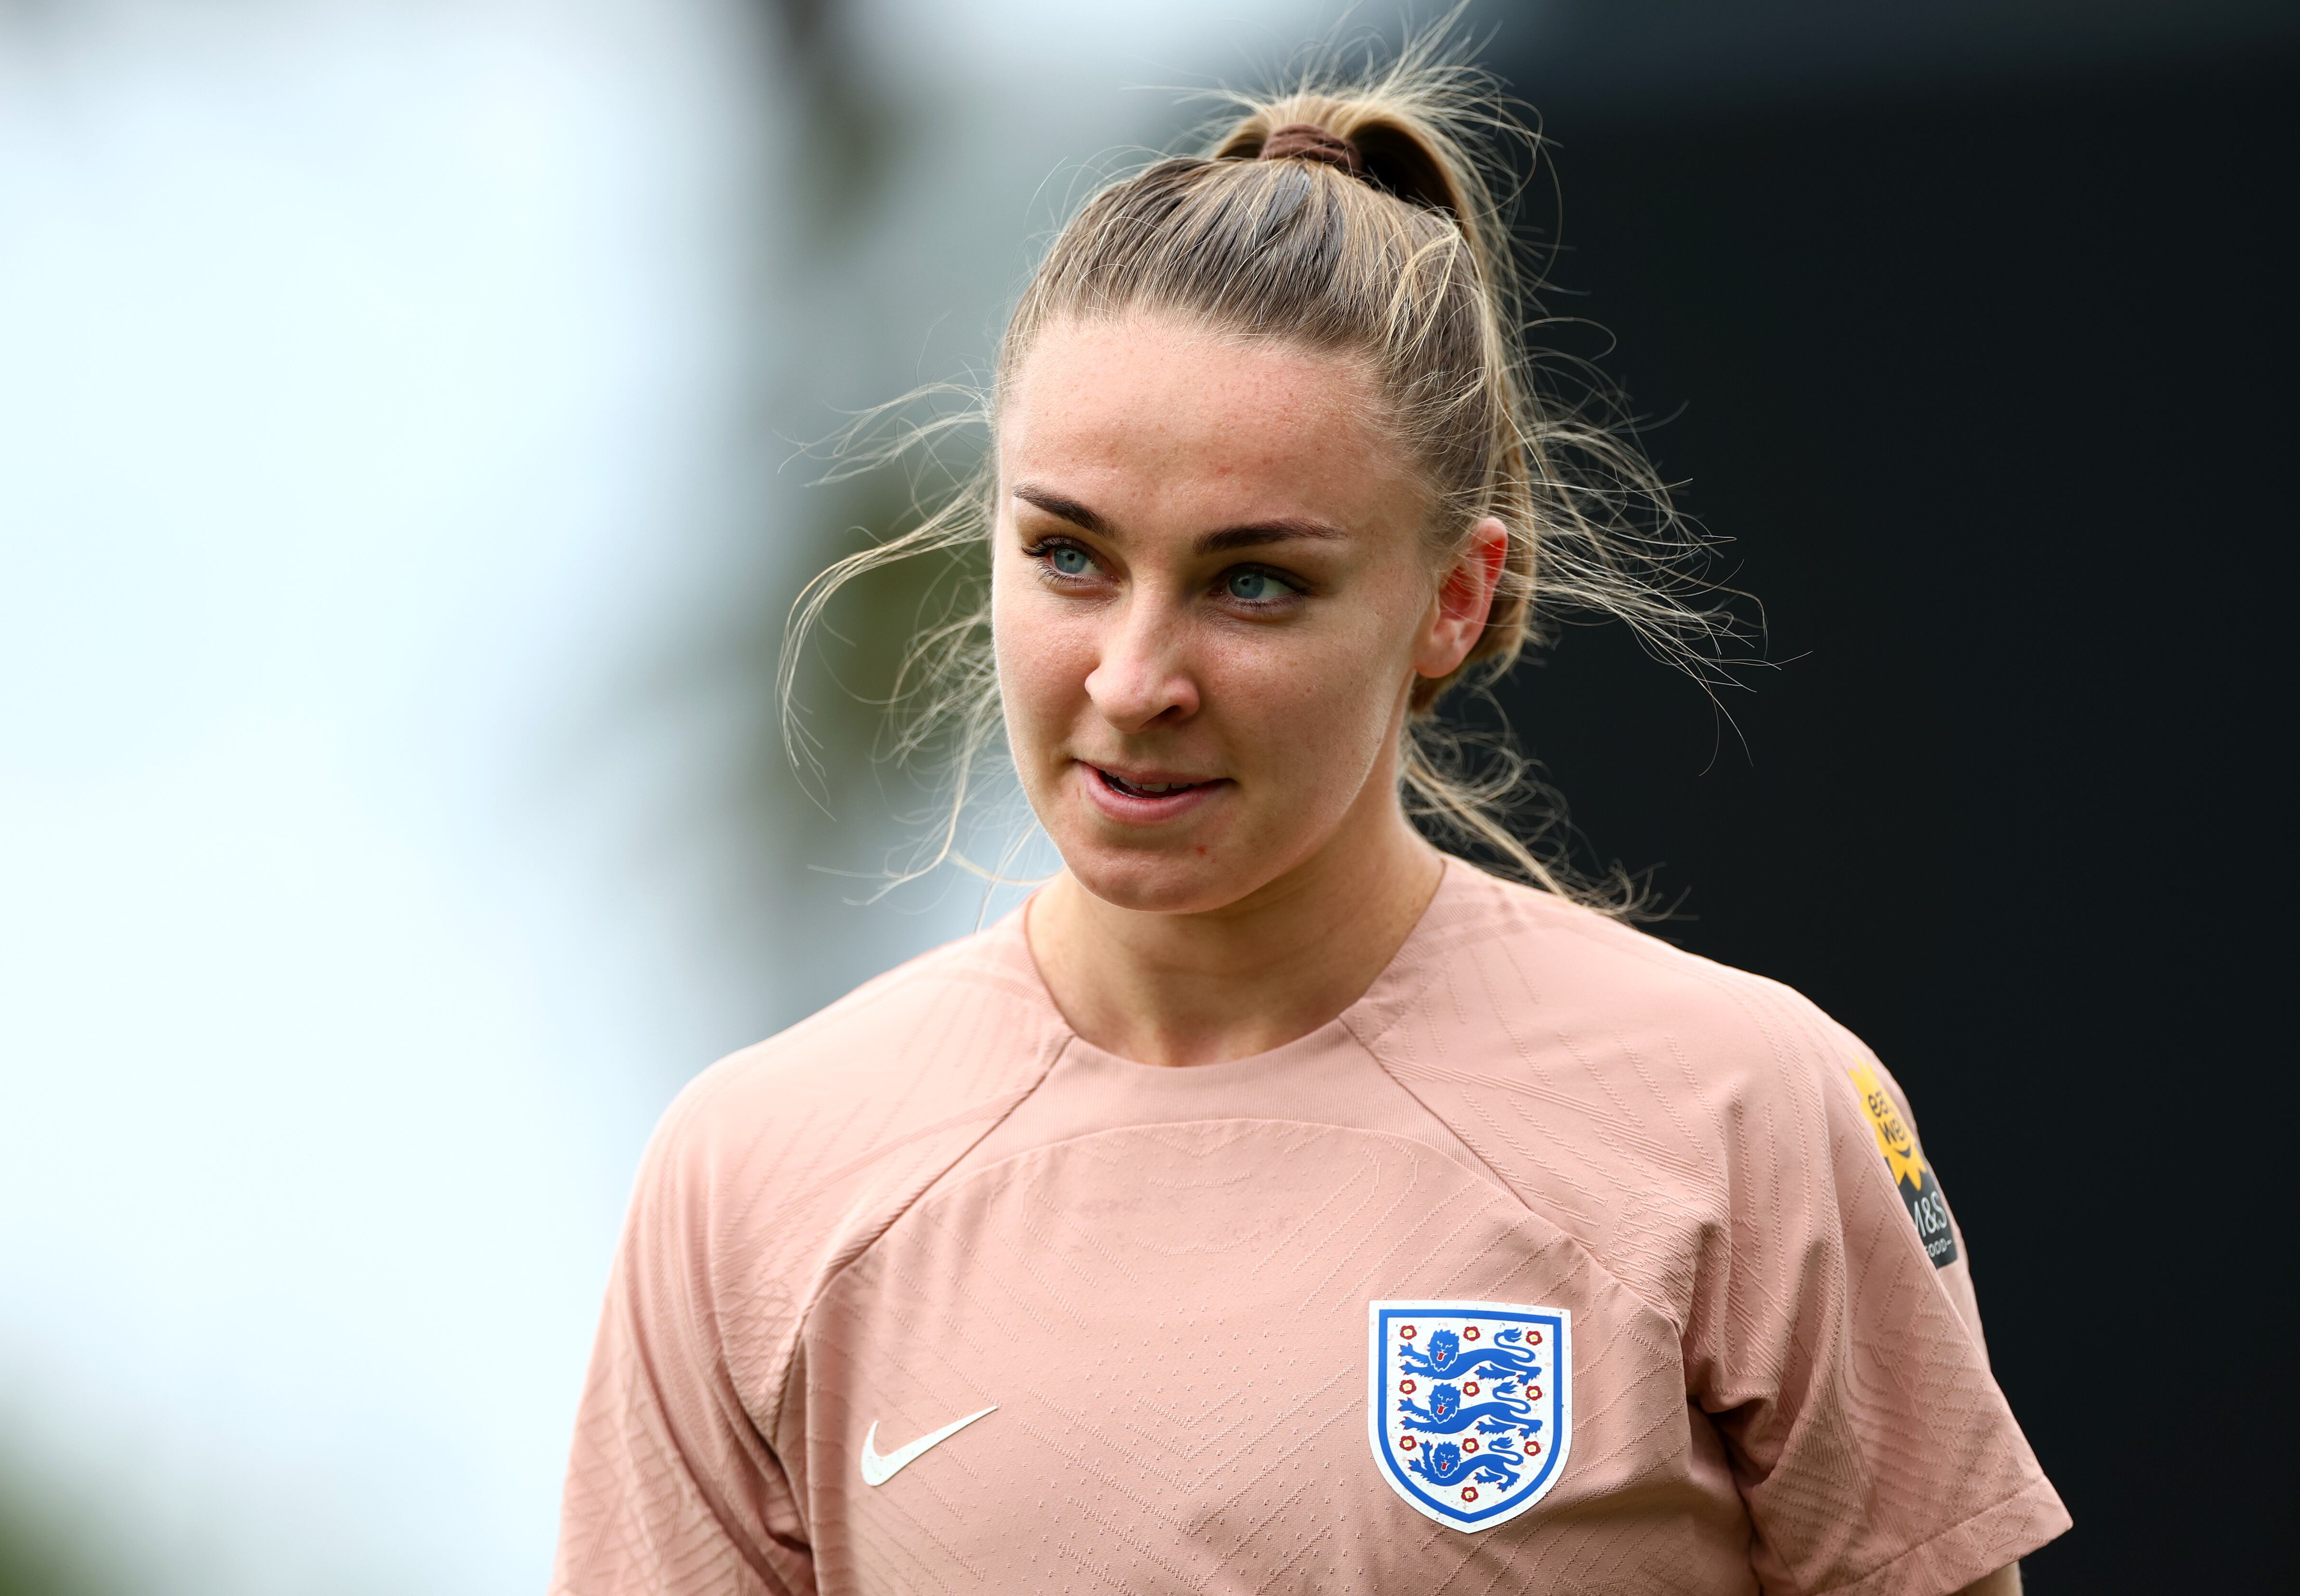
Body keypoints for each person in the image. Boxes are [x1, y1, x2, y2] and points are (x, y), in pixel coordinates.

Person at [550, 41, 2068, 1596]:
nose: (1135, 678)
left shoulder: (1743, 1119)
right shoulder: (755, 1179)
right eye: (1069, 556)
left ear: (1452, 602)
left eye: (1253, 582)